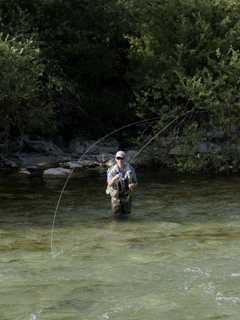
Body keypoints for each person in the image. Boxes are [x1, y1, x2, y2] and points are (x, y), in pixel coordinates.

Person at [106, 150, 137, 218]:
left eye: (122, 158)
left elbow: (136, 183)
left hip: (127, 196)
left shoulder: (130, 169)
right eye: (118, 158)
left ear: (125, 159)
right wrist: (114, 179)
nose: (120, 160)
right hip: (116, 197)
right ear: (115, 159)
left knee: (127, 215)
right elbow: (109, 185)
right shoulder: (112, 170)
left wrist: (132, 185)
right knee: (116, 216)